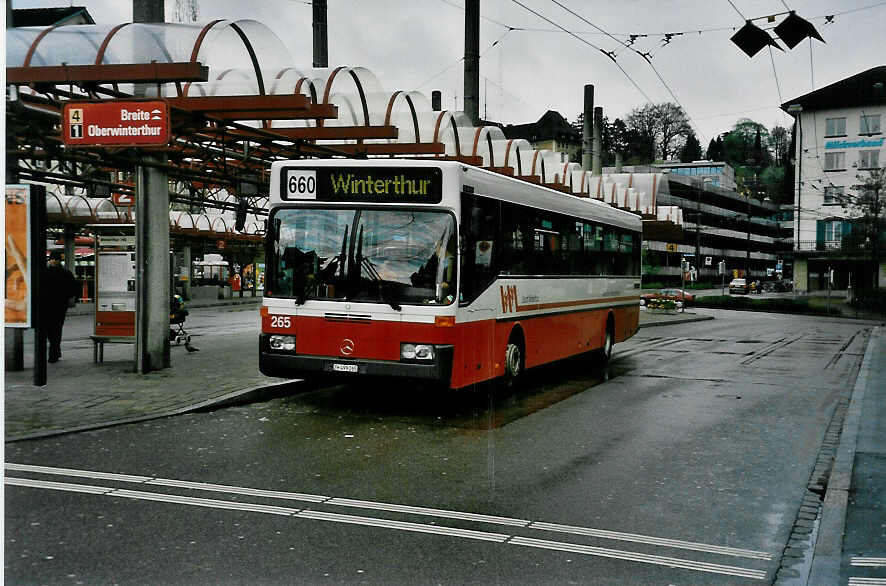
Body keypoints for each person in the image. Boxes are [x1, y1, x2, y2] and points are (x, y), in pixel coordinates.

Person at [40, 250, 79, 363]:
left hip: (57, 306)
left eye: (55, 259)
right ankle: (56, 351)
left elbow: (73, 289)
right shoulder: (64, 273)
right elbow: (74, 289)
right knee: (52, 330)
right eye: (52, 259)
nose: (53, 261)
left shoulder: (62, 273)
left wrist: (65, 297)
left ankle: (53, 353)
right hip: (52, 306)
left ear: (59, 260)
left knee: (55, 329)